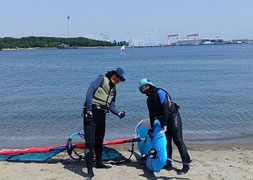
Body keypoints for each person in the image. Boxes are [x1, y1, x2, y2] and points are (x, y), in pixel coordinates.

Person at [139, 78, 191, 174]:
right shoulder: (149, 99)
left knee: (178, 140)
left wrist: (165, 126)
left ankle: (186, 165)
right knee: (167, 142)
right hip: (164, 121)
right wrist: (152, 127)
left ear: (150, 85)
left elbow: (166, 110)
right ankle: (168, 162)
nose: (144, 89)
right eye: (142, 88)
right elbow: (151, 114)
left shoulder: (160, 92)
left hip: (173, 116)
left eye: (145, 86)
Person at [83, 67, 126, 179]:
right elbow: (90, 91)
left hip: (102, 116)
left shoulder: (114, 90)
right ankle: (89, 171)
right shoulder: (101, 79)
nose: (117, 79)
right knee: (90, 143)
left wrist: (119, 113)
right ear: (112, 73)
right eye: (116, 76)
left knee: (99, 141)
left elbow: (112, 106)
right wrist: (88, 110)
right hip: (91, 114)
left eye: (119, 78)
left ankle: (99, 163)